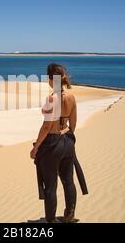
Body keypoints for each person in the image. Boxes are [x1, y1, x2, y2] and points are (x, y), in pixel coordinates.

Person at [30, 63, 88, 223]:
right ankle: (69, 216)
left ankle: (50, 221)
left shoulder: (51, 99)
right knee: (68, 181)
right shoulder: (71, 97)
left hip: (52, 144)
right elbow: (73, 125)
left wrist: (36, 148)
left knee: (50, 185)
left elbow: (47, 126)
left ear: (50, 79)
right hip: (68, 142)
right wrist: (65, 135)